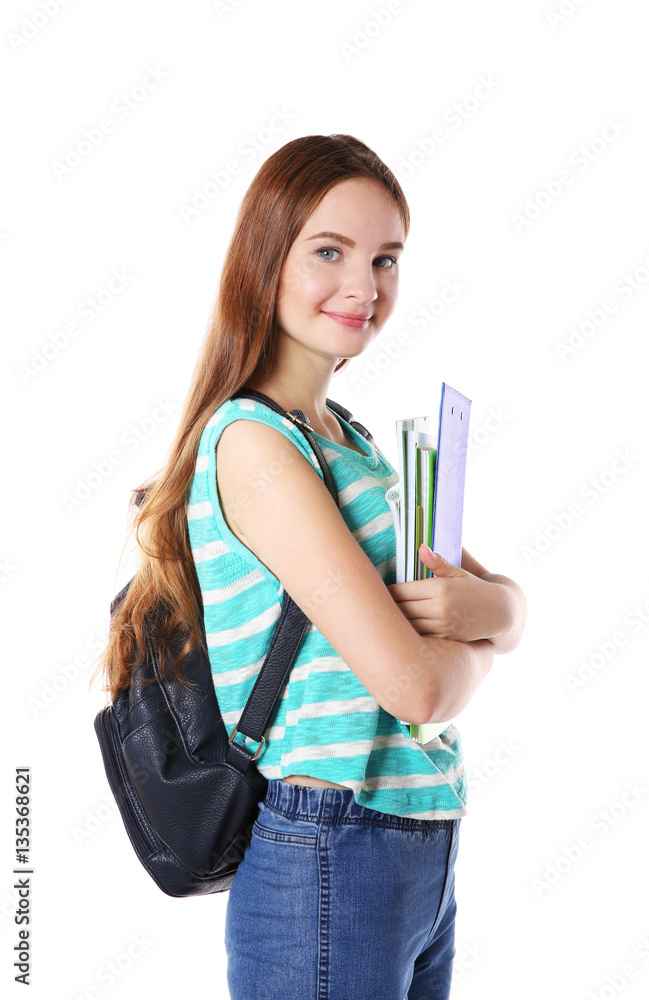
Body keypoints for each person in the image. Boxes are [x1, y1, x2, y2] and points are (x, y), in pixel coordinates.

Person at [96, 134, 526, 1000]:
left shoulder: (351, 440)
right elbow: (415, 692)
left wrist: (500, 612)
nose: (365, 287)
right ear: (266, 258)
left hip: (414, 836)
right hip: (331, 842)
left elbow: (500, 599)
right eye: (329, 252)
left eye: (386, 259)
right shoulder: (257, 444)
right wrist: (486, 632)